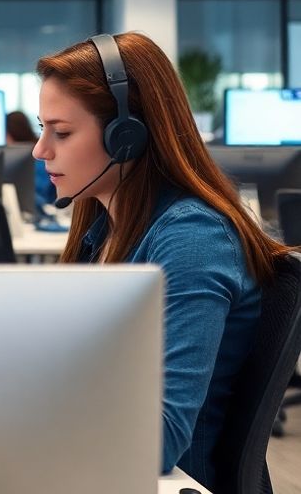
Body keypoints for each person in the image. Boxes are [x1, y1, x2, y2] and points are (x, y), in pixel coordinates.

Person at [34, 32, 290, 487]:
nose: (41, 150)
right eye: (42, 128)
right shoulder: (106, 231)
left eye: (62, 132)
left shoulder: (193, 239)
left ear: (126, 137)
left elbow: (159, 439)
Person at [7, 110, 56, 211]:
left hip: (46, 210)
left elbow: (41, 197)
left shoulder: (38, 158)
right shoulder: (16, 159)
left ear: (10, 133)